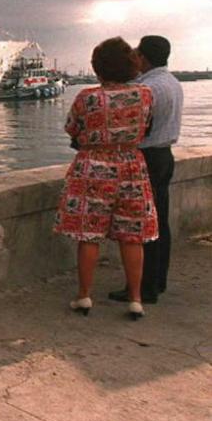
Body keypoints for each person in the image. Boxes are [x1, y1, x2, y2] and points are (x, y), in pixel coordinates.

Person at [54, 37, 158, 320]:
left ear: (98, 67)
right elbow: (148, 127)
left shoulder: (87, 97)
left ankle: (84, 296)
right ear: (131, 65)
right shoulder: (145, 94)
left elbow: (72, 128)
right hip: (132, 166)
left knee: (89, 234)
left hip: (93, 167)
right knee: (132, 236)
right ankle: (135, 299)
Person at [109, 36, 183, 304]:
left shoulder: (146, 88)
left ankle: (143, 287)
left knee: (143, 224)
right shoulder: (172, 83)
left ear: (143, 57)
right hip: (164, 154)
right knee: (160, 221)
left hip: (147, 157)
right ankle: (157, 281)